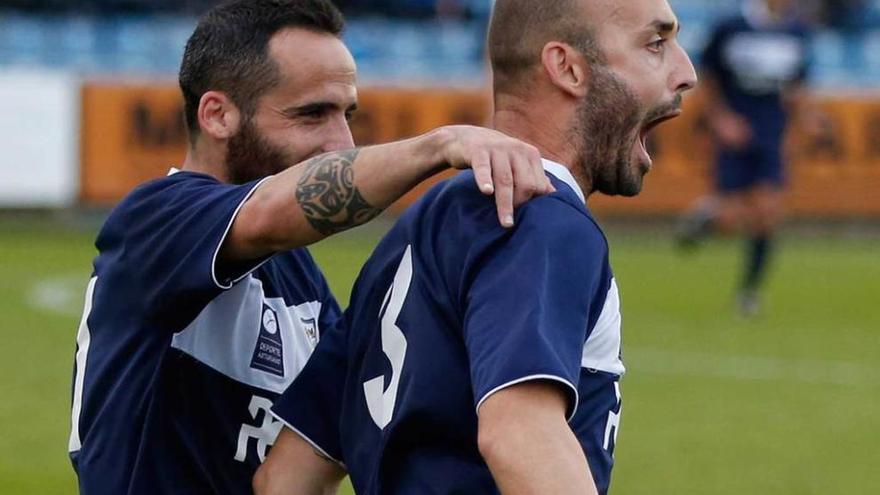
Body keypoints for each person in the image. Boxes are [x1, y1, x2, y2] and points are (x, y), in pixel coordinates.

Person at [67, 0, 554, 493]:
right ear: (217, 115)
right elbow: (274, 211)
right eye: (312, 114)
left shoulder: (301, 282)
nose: (340, 141)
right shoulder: (157, 221)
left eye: (347, 114)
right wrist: (439, 145)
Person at [256, 0, 696, 493]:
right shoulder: (541, 219)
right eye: (656, 44)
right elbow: (518, 436)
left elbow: (284, 477)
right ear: (568, 68)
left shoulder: (409, 235)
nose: (687, 72)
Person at [676, 0, 814, 316]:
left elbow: (798, 86)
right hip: (735, 131)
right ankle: (707, 218)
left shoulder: (797, 31)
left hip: (771, 131)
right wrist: (721, 119)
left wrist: (796, 127)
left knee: (768, 211)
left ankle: (749, 292)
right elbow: (707, 78)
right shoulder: (731, 27)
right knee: (731, 218)